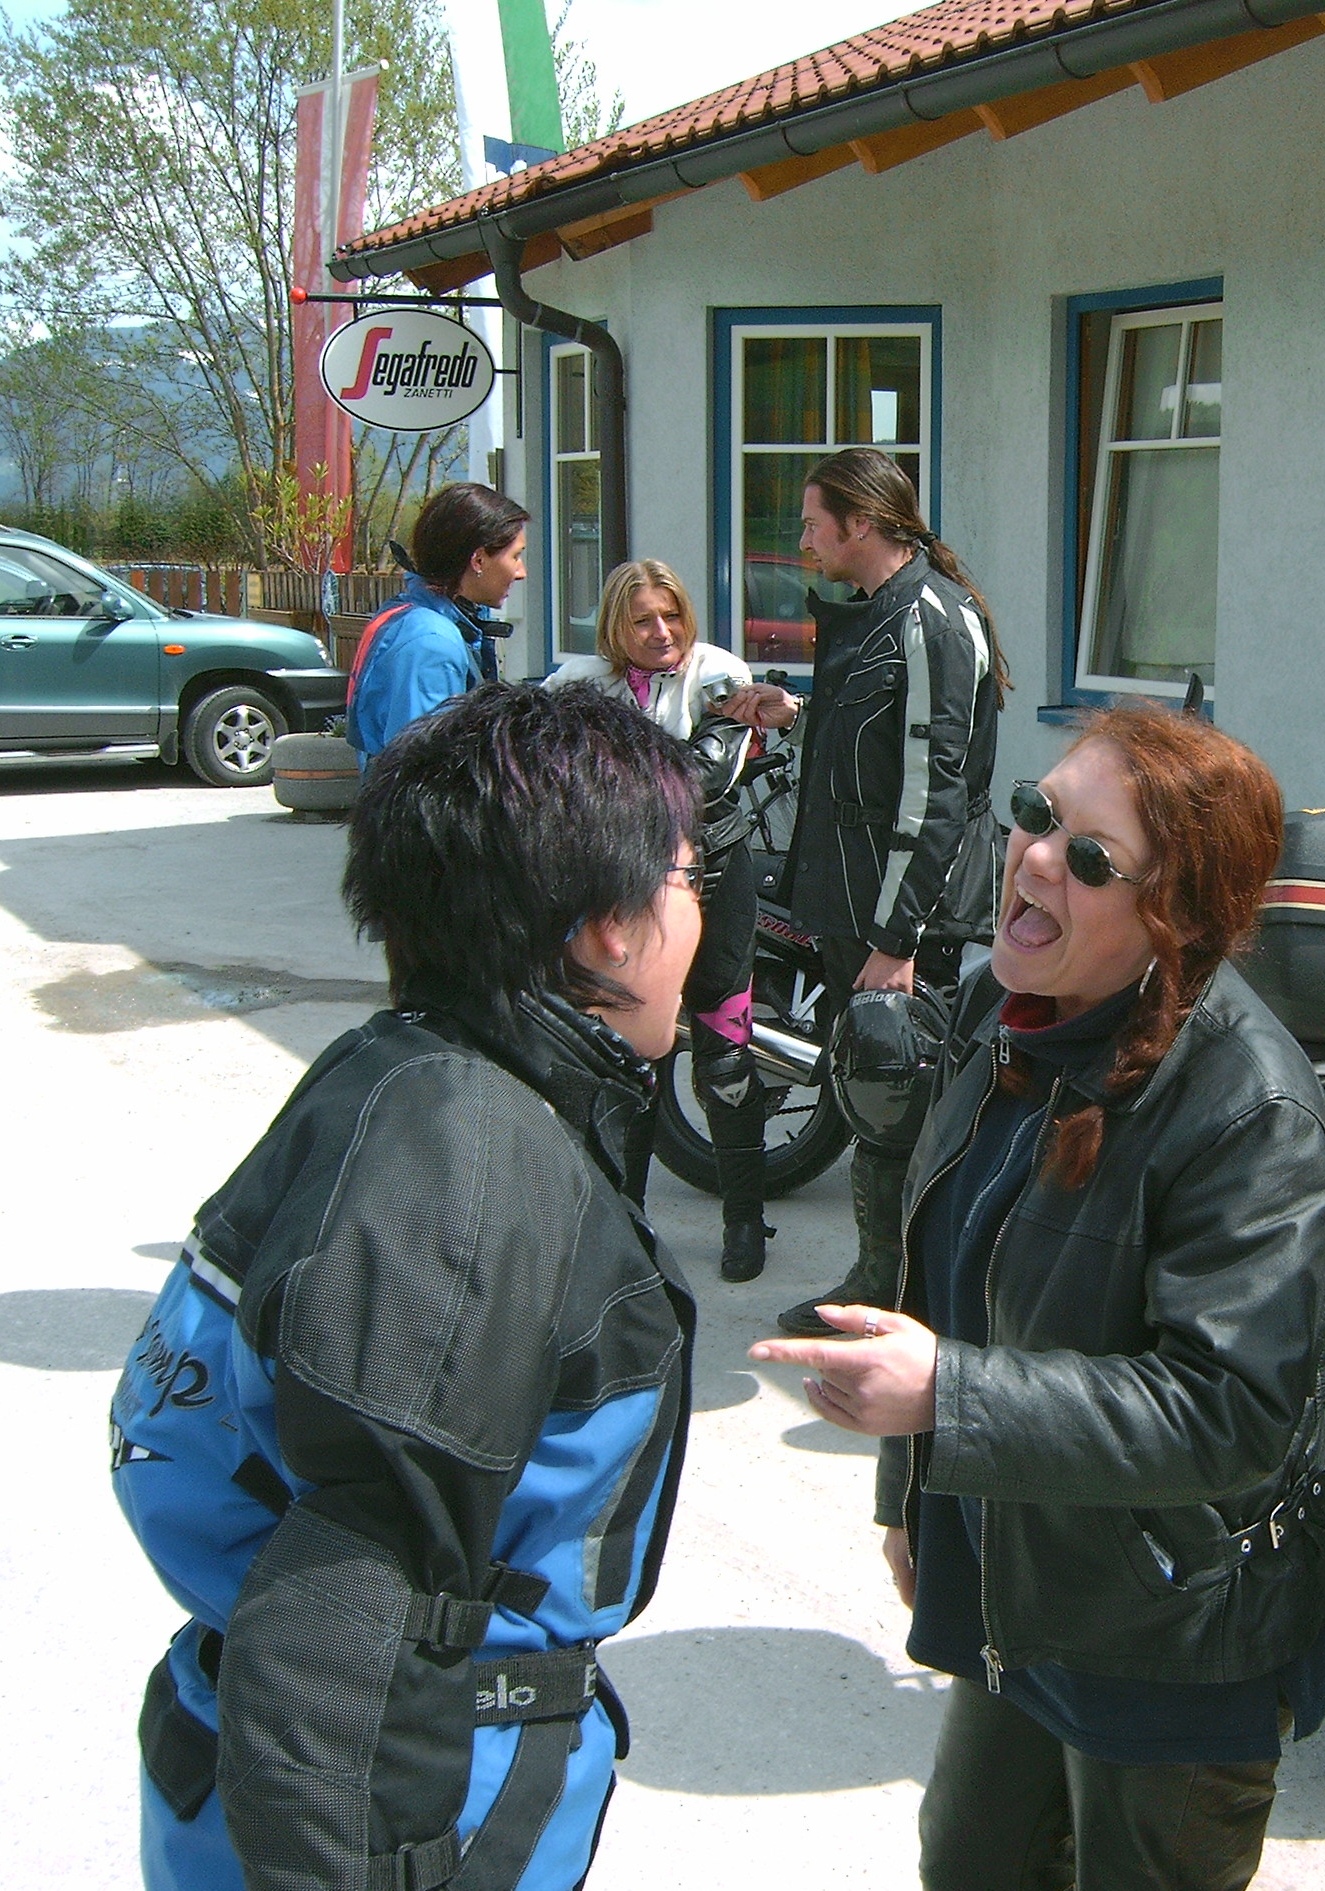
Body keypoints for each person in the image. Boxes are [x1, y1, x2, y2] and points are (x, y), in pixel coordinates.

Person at [751, 706, 1325, 1891]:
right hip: (1022, 1571)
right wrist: (913, 1493)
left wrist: (947, 1398)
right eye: (1036, 814)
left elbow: (1230, 1409)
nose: (1034, 856)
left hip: (1174, 1615)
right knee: (975, 1877)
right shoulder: (1004, 1008)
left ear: (1173, 915)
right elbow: (943, 1272)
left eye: (1090, 856)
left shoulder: (1251, 1112)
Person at [111, 680, 703, 1891]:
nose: (703, 912)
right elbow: (333, 1632)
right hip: (400, 1812)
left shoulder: (406, 1067)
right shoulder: (470, 1174)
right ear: (608, 926)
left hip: (252, 1768)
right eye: (687, 877)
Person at [774, 446, 1007, 1337]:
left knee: (898, 1102)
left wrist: (897, 939)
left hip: (904, 916)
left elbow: (935, 792)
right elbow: (882, 744)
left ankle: (894, 1296)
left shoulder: (931, 621)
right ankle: (886, 1284)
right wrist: (797, 713)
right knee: (881, 1099)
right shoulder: (882, 610)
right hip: (863, 905)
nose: (804, 541)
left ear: (861, 523)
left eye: (813, 524)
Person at [551, 557, 800, 1280]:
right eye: (642, 620)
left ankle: (745, 1219)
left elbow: (712, 770)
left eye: (671, 615)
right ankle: (624, 1222)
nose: (661, 632)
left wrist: (604, 773)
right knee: (630, 1059)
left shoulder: (718, 673)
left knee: (725, 1057)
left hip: (715, 883)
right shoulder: (578, 686)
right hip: (625, 892)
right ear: (614, 626)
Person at [347, 481, 529, 759]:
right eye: (515, 556)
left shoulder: (413, 615)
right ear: (478, 560)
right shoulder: (431, 643)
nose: (521, 572)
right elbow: (420, 769)